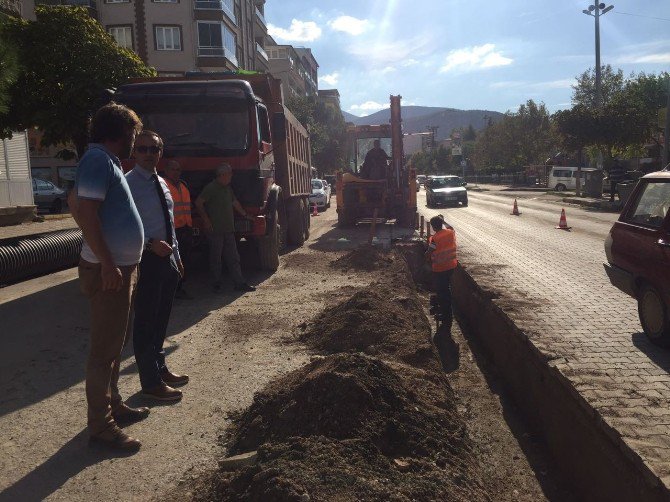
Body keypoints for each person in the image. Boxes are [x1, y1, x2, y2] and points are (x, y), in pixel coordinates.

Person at [69, 102, 146, 452]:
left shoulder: (107, 161)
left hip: (119, 268)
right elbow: (85, 212)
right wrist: (107, 264)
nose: (135, 140)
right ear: (120, 132)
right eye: (133, 133)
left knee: (115, 345)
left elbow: (79, 204)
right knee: (103, 352)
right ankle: (101, 426)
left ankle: (113, 405)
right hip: (109, 271)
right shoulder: (98, 160)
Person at [126, 131, 188, 402]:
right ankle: (150, 382)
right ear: (134, 152)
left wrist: (177, 256)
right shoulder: (127, 184)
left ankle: (160, 368)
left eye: (154, 148)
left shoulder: (162, 183)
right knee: (145, 322)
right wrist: (151, 245)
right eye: (143, 149)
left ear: (161, 153)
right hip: (146, 259)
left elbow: (170, 224)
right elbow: (124, 225)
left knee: (161, 320)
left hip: (168, 260)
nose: (149, 153)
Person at [195, 163, 256, 293]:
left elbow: (235, 203)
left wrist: (246, 215)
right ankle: (216, 284)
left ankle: (239, 283)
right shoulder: (211, 188)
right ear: (222, 175)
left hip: (228, 229)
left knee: (233, 257)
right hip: (215, 230)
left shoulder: (227, 188)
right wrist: (206, 220)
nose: (231, 176)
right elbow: (198, 203)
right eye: (229, 174)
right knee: (216, 257)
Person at [164, 160, 194, 299]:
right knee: (172, 261)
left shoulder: (183, 185)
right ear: (166, 170)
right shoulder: (162, 185)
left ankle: (179, 287)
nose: (176, 172)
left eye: (178, 170)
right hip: (172, 230)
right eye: (173, 169)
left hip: (185, 229)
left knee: (184, 260)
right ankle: (171, 289)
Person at [425, 215, 458, 333]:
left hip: (440, 269)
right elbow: (451, 227)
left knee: (443, 293)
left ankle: (446, 316)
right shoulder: (450, 232)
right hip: (451, 266)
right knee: (446, 289)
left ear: (433, 227)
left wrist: (425, 258)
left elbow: (429, 252)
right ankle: (446, 312)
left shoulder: (435, 238)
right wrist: (443, 220)